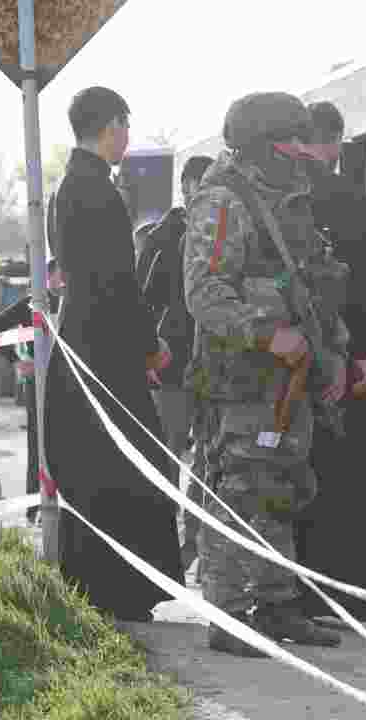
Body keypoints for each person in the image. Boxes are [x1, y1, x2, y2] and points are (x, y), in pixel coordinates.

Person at [183, 91, 345, 656]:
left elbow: (317, 288)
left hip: (292, 381)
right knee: (235, 494)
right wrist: (268, 333)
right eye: (294, 141)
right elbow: (204, 294)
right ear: (264, 143)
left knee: (282, 493)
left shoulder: (289, 201)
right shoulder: (223, 202)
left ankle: (276, 605)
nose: (305, 152)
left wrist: (334, 354)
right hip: (240, 384)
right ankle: (226, 615)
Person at [44, 86, 184, 622]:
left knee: (97, 466)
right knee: (123, 468)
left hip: (83, 337)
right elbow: (117, 282)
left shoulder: (71, 186)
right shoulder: (98, 191)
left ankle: (99, 588)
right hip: (106, 347)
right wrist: (149, 347)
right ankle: (121, 591)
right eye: (126, 124)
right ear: (111, 126)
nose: (128, 135)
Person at [292, 101, 366, 623]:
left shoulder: (281, 195)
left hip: (291, 357)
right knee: (350, 474)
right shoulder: (348, 198)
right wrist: (361, 355)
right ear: (334, 143)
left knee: (301, 471)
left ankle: (302, 589)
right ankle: (356, 590)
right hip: (340, 353)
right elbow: (358, 285)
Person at [138, 154, 215, 573]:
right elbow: (144, 300)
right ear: (185, 189)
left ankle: (198, 548)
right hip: (170, 367)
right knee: (167, 456)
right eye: (198, 188)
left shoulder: (222, 232)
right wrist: (148, 352)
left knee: (209, 460)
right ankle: (163, 545)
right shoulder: (166, 236)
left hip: (213, 367)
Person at [0, 257, 65, 522]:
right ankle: (35, 507)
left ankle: (62, 506)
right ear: (48, 277)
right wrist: (18, 360)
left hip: (66, 385)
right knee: (38, 447)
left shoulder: (73, 302)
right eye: (60, 274)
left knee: (64, 445)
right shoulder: (32, 303)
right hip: (37, 386)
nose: (64, 280)